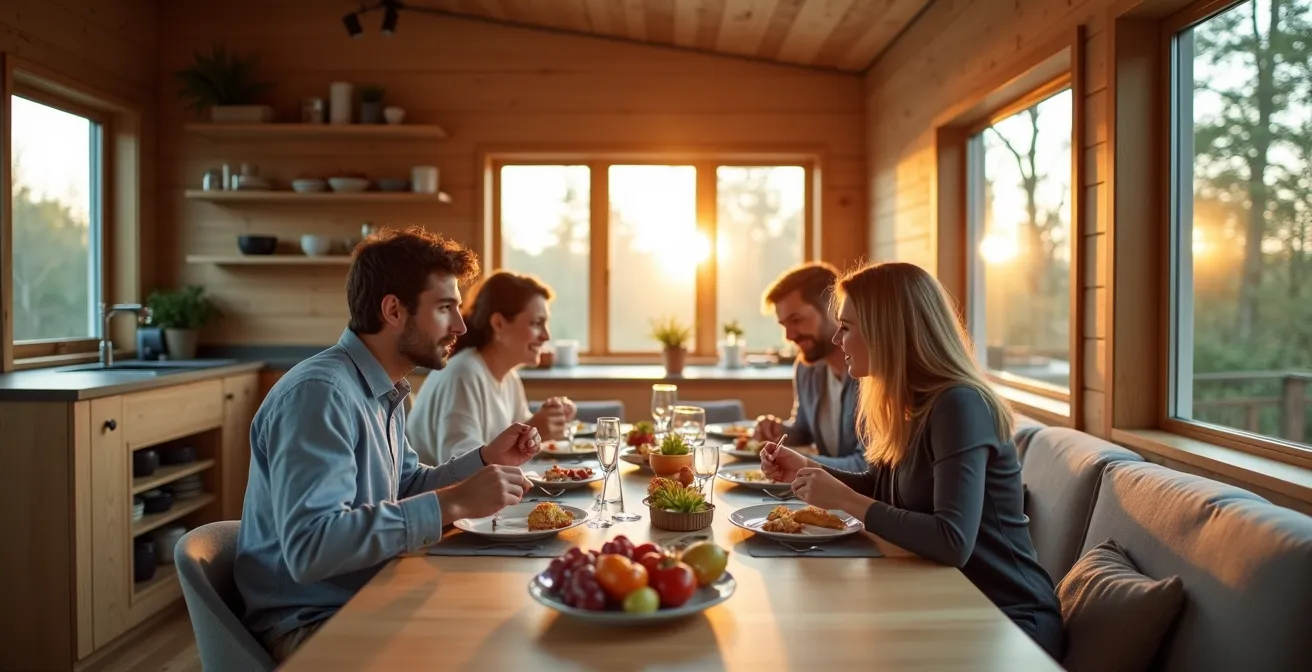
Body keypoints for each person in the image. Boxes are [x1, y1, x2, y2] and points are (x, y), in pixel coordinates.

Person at [235, 227, 543, 662]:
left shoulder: (387, 389)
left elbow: (404, 484)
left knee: (508, 620)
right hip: (313, 624)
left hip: (367, 593)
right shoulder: (320, 394)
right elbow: (310, 547)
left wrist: (484, 460)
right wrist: (451, 504)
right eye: (444, 308)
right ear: (393, 310)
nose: (460, 325)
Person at [760, 262, 1064, 659]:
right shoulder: (906, 404)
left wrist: (843, 500)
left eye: (847, 327)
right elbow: (881, 487)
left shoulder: (959, 404)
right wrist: (807, 468)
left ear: (887, 331)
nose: (838, 339)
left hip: (1005, 620)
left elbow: (953, 541)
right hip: (947, 602)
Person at [407, 270, 576, 465]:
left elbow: (518, 434)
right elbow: (459, 466)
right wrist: (533, 430)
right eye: (537, 323)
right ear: (498, 324)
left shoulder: (509, 377)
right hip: (446, 495)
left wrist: (549, 422)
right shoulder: (463, 375)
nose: (546, 336)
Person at [754, 262, 867, 470]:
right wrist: (777, 430)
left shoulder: (868, 371)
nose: (789, 336)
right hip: (826, 497)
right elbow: (803, 429)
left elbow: (866, 467)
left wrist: (799, 464)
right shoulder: (806, 368)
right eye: (784, 325)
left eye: (796, 320)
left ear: (833, 309)